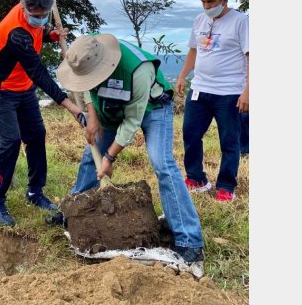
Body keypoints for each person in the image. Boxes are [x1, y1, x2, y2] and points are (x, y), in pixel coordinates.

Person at [57, 34, 206, 264]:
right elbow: (85, 86)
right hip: (111, 108)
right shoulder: (85, 57)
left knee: (162, 164)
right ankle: (73, 212)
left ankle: (189, 240)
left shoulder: (138, 70)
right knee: (90, 156)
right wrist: (93, 117)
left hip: (153, 108)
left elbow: (131, 123)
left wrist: (109, 157)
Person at [0, 0, 83, 227]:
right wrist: (70, 105)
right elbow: (38, 72)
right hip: (0, 87)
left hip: (23, 87)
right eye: (35, 15)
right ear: (23, 7)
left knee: (37, 135)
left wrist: (52, 35)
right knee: (11, 141)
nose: (40, 19)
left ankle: (35, 191)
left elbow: (38, 33)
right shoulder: (16, 32)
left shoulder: (34, 18)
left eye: (43, 14)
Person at [176, 0, 249, 203]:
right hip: (200, 89)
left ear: (225, 0)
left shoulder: (241, 22)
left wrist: (248, 92)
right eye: (203, 2)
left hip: (229, 92)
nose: (207, 7)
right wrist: (182, 76)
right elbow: (193, 51)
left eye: (211, 2)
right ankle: (196, 179)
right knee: (190, 134)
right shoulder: (200, 20)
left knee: (229, 141)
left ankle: (226, 187)